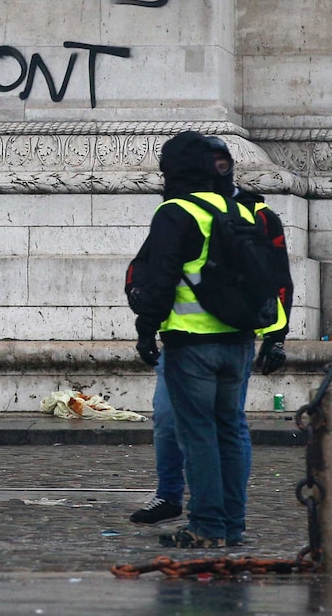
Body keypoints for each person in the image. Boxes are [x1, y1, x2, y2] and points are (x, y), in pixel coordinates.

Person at [125, 131, 288, 548]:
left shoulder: (176, 211)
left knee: (197, 434)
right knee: (231, 431)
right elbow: (272, 278)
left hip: (191, 344)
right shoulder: (243, 210)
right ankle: (232, 525)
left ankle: (206, 526)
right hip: (240, 342)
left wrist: (146, 330)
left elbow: (159, 281)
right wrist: (274, 336)